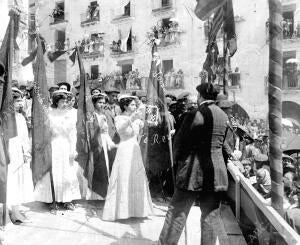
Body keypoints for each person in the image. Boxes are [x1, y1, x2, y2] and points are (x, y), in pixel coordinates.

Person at [158, 83, 229, 245]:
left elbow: (179, 143)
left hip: (192, 171)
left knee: (177, 213)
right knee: (210, 217)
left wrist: (177, 162)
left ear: (200, 97)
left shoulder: (194, 114)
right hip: (216, 174)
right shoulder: (224, 116)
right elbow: (227, 145)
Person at [102, 95, 153, 221]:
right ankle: (122, 212)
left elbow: (145, 125)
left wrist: (151, 122)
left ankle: (137, 210)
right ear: (125, 106)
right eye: (132, 105)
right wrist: (131, 118)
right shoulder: (119, 118)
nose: (135, 107)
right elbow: (120, 129)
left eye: (135, 105)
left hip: (135, 149)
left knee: (136, 176)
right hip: (124, 148)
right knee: (124, 177)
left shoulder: (136, 119)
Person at [34, 90, 81, 212]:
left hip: (66, 145)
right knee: (54, 171)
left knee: (67, 171)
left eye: (66, 101)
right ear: (56, 101)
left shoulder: (70, 114)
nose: (65, 103)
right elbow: (45, 132)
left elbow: (73, 134)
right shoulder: (50, 114)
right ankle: (52, 200)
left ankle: (67, 199)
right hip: (53, 145)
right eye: (62, 101)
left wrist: (73, 149)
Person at [7, 87, 34, 223]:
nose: (20, 103)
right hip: (8, 152)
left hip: (19, 152)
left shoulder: (20, 117)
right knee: (9, 180)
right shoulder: (6, 117)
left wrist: (26, 152)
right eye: (17, 101)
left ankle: (16, 211)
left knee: (18, 180)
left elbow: (24, 137)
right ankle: (8, 212)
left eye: (20, 100)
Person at [87, 93, 116, 200]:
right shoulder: (91, 115)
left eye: (104, 102)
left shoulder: (106, 114)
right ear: (94, 103)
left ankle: (105, 194)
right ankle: (95, 196)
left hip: (106, 141)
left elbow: (110, 129)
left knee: (107, 167)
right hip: (96, 143)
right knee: (97, 168)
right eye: (100, 102)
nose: (102, 104)